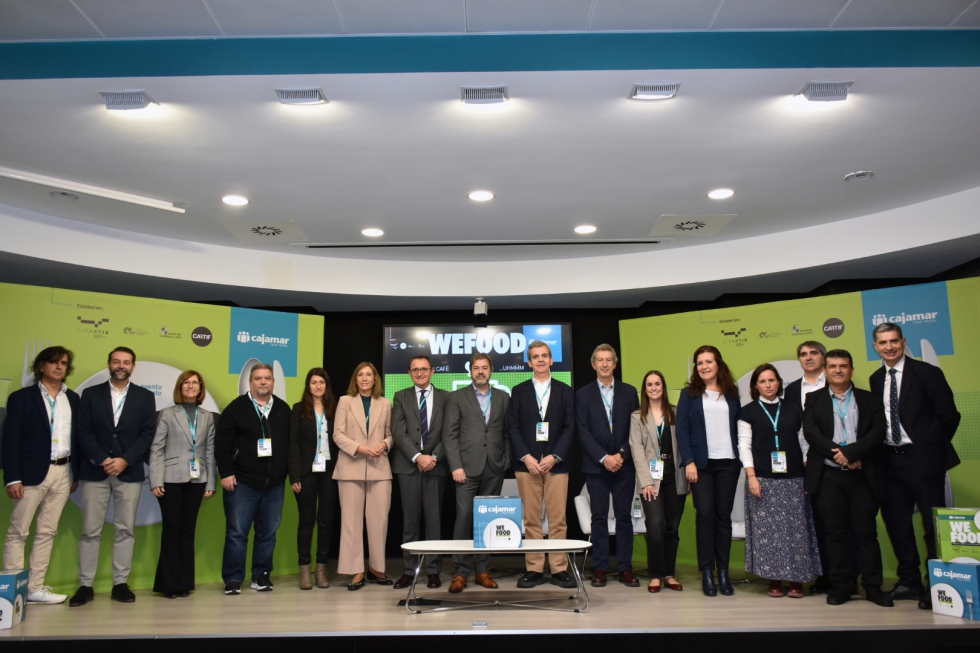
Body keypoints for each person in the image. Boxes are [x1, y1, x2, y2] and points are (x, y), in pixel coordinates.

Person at [870, 322, 961, 609]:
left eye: (894, 341)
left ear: (903, 341)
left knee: (931, 526)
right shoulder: (875, 379)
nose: (889, 347)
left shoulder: (927, 373)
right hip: (889, 461)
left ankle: (936, 584)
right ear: (875, 347)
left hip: (923, 460)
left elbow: (949, 416)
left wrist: (930, 448)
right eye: (883, 343)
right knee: (897, 524)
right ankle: (909, 580)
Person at [802, 349, 892, 607]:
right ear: (825, 370)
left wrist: (851, 453)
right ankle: (841, 586)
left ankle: (873, 587)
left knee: (866, 533)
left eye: (843, 366)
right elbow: (811, 433)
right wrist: (840, 455)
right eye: (832, 366)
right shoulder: (814, 399)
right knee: (835, 533)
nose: (838, 370)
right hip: (829, 476)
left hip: (862, 475)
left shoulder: (868, 399)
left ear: (851, 370)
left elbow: (877, 432)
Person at [70, 346, 156, 607]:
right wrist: (103, 459)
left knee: (125, 530)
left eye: (126, 362)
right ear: (109, 364)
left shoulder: (145, 397)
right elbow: (82, 431)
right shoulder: (90, 394)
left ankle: (120, 583)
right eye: (116, 361)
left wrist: (125, 459)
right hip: (95, 471)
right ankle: (85, 585)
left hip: (128, 471)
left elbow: (147, 433)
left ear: (133, 366)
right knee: (90, 531)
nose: (121, 365)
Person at [3, 346, 80, 604]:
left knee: (48, 531)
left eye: (64, 363)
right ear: (41, 366)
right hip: (30, 474)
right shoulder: (21, 398)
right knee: (19, 532)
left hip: (64, 471)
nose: (59, 367)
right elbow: (10, 439)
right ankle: (13, 589)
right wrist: (12, 477)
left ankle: (35, 588)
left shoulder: (74, 399)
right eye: (54, 362)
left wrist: (75, 473)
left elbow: (77, 439)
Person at [737, 364, 821, 599]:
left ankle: (796, 580)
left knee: (796, 532)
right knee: (769, 534)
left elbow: (804, 443)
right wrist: (752, 476)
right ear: (756, 385)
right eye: (762, 381)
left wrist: (806, 470)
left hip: (794, 479)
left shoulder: (794, 409)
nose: (768, 385)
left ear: (779, 383)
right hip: (762, 480)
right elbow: (744, 446)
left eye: (772, 380)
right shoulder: (748, 412)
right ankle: (774, 580)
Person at [215, 362, 291, 595]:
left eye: (267, 378)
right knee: (237, 533)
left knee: (268, 534)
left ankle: (261, 576)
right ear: (250, 382)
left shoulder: (282, 409)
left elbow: (291, 444)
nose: (263, 382)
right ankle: (233, 578)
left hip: (274, 485)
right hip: (242, 483)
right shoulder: (236, 408)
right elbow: (222, 444)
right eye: (258, 378)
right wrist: (226, 472)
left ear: (273, 382)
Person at [509, 341, 576, 589]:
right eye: (535, 357)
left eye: (544, 356)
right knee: (531, 520)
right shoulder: (518, 391)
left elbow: (571, 427)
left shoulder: (565, 390)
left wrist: (554, 456)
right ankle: (535, 569)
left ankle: (559, 569)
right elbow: (512, 427)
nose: (539, 360)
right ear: (529, 362)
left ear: (551, 360)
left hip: (556, 464)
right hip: (527, 465)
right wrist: (526, 456)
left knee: (558, 520)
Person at [675, 345, 741, 597]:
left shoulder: (732, 393)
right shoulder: (689, 394)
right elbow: (682, 430)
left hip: (728, 464)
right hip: (701, 466)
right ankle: (707, 574)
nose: (704, 366)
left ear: (718, 364)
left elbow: (739, 427)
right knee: (704, 517)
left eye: (708, 361)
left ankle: (723, 572)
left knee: (723, 519)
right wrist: (689, 462)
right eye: (699, 362)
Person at [443, 353, 511, 594]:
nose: (480, 371)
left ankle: (483, 571)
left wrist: (505, 460)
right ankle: (460, 572)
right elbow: (449, 434)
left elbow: (506, 432)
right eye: (476, 368)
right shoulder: (457, 397)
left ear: (491, 371)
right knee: (463, 518)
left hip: (494, 468)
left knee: (486, 521)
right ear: (470, 371)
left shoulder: (503, 397)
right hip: (466, 469)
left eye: (484, 368)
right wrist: (456, 466)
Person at [577, 344, 641, 588]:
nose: (604, 364)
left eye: (609, 360)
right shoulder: (583, 394)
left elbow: (635, 428)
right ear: (593, 365)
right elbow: (583, 432)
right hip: (596, 467)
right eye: (600, 360)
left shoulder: (629, 392)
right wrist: (605, 458)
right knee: (599, 518)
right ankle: (600, 568)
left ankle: (625, 568)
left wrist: (621, 455)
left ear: (615, 364)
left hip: (624, 466)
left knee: (625, 518)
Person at [148, 370, 216, 598]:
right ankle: (168, 584)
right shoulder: (168, 414)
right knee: (171, 531)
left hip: (198, 480)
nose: (190, 386)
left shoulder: (207, 416)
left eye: (195, 383)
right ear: (180, 387)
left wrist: (210, 482)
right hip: (170, 479)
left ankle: (184, 583)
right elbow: (156, 448)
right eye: (186, 383)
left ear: (200, 388)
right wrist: (155, 479)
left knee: (188, 531)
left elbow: (209, 450)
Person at [390, 356, 450, 590]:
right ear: (409, 373)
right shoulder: (400, 396)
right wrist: (418, 457)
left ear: (432, 371)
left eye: (424, 369)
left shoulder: (447, 397)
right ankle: (409, 570)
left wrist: (434, 457)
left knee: (434, 522)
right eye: (415, 369)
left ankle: (434, 571)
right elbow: (398, 431)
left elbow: (450, 432)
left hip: (437, 466)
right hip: (409, 466)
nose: (420, 373)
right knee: (410, 522)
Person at [332, 362, 393, 591]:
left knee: (379, 522)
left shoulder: (385, 403)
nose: (365, 378)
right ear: (355, 380)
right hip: (351, 466)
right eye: (361, 375)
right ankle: (356, 570)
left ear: (375, 379)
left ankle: (377, 569)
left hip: (379, 467)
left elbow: (391, 434)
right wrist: (358, 448)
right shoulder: (345, 401)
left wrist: (384, 444)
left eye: (369, 375)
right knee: (351, 522)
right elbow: (337, 434)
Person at [629, 370, 689, 593]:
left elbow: (684, 444)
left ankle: (669, 574)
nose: (654, 388)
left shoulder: (676, 412)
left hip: (676, 478)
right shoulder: (637, 417)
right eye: (649, 385)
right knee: (655, 525)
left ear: (663, 387)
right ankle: (656, 574)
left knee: (672, 528)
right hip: (650, 480)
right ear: (645, 389)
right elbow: (636, 450)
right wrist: (645, 481)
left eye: (657, 384)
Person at [289, 368, 339, 590]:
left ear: (327, 386)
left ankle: (321, 569)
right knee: (307, 521)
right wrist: (295, 476)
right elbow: (293, 444)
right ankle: (304, 569)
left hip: (330, 472)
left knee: (326, 522)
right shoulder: (298, 409)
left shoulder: (336, 409)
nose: (318, 386)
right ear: (308, 386)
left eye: (322, 382)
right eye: (313, 382)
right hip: (307, 473)